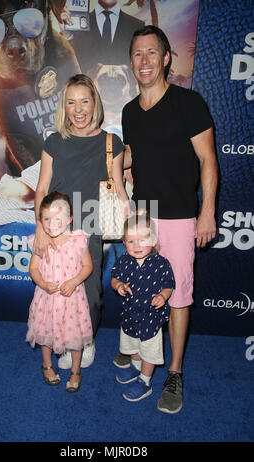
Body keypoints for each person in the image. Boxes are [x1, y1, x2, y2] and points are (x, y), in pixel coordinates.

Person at [115, 25, 218, 413]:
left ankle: (173, 372)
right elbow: (132, 157)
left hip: (177, 217)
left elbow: (208, 159)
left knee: (176, 296)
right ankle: (141, 348)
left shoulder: (189, 103)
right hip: (143, 218)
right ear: (131, 61)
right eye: (138, 54)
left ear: (166, 58)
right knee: (139, 286)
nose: (144, 61)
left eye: (151, 53)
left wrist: (207, 211)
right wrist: (110, 160)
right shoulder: (127, 111)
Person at [33, 74, 129, 369]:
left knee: (91, 293)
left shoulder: (111, 142)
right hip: (55, 230)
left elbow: (119, 187)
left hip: (91, 227)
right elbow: (41, 187)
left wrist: (133, 225)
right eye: (71, 102)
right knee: (58, 290)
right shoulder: (53, 142)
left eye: (84, 101)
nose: (78, 109)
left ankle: (85, 340)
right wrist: (41, 229)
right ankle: (65, 340)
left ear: (94, 104)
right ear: (64, 107)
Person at [26, 191, 93, 391]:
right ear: (41, 220)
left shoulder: (79, 240)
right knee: (44, 331)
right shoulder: (40, 242)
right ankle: (47, 365)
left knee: (74, 335)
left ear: (69, 219)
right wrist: (43, 284)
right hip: (46, 298)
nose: (51, 223)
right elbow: (33, 268)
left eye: (58, 218)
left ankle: (75, 370)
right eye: (46, 218)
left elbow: (87, 266)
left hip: (72, 299)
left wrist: (74, 281)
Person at [111, 210, 175, 402]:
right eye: (131, 241)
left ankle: (144, 381)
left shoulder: (162, 264)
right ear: (124, 243)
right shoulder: (124, 261)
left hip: (151, 319)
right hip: (130, 316)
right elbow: (114, 278)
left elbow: (169, 285)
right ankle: (135, 368)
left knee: (148, 352)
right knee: (132, 347)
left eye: (142, 239)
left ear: (154, 239)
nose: (136, 245)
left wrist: (163, 296)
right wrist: (118, 286)